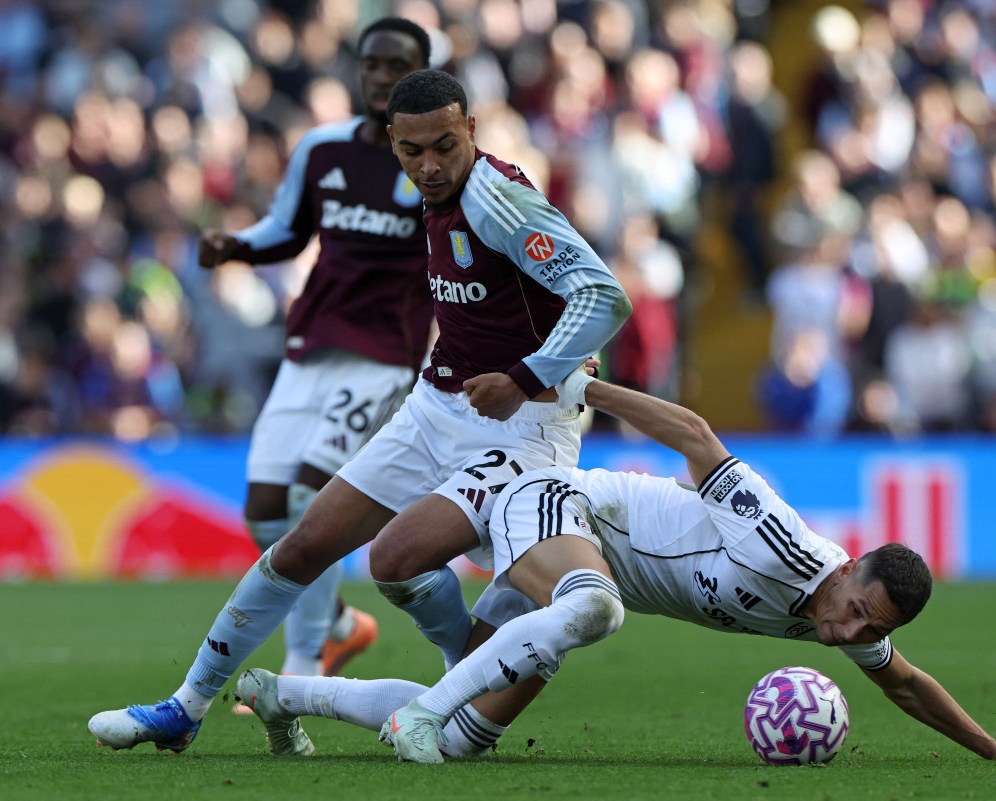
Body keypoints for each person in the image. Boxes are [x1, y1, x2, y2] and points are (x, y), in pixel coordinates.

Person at [87, 69, 632, 756]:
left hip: (523, 427)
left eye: (445, 146)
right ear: (393, 144)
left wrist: (527, 376)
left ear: (471, 130)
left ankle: (469, 670)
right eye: (413, 151)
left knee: (394, 560)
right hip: (436, 404)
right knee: (303, 543)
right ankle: (186, 705)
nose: (430, 166)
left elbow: (604, 297)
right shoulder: (426, 192)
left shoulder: (500, 200)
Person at [232, 369, 996, 765]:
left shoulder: (844, 617)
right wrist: (575, 389)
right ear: (848, 566)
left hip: (590, 573)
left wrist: (994, 750)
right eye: (856, 608)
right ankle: (424, 594)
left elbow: (902, 682)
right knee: (541, 621)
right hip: (571, 509)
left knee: (467, 736)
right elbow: (697, 435)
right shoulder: (785, 543)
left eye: (868, 628)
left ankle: (283, 695)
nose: (848, 633)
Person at [196, 17, 434, 684]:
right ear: (359, 71)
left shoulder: (433, 160)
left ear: (422, 74)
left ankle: (303, 664)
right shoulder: (323, 150)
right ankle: (333, 623)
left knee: (309, 503)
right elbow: (288, 229)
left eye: (399, 65)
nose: (383, 76)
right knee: (265, 512)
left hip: (386, 353)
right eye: (373, 64)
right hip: (311, 346)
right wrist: (236, 246)